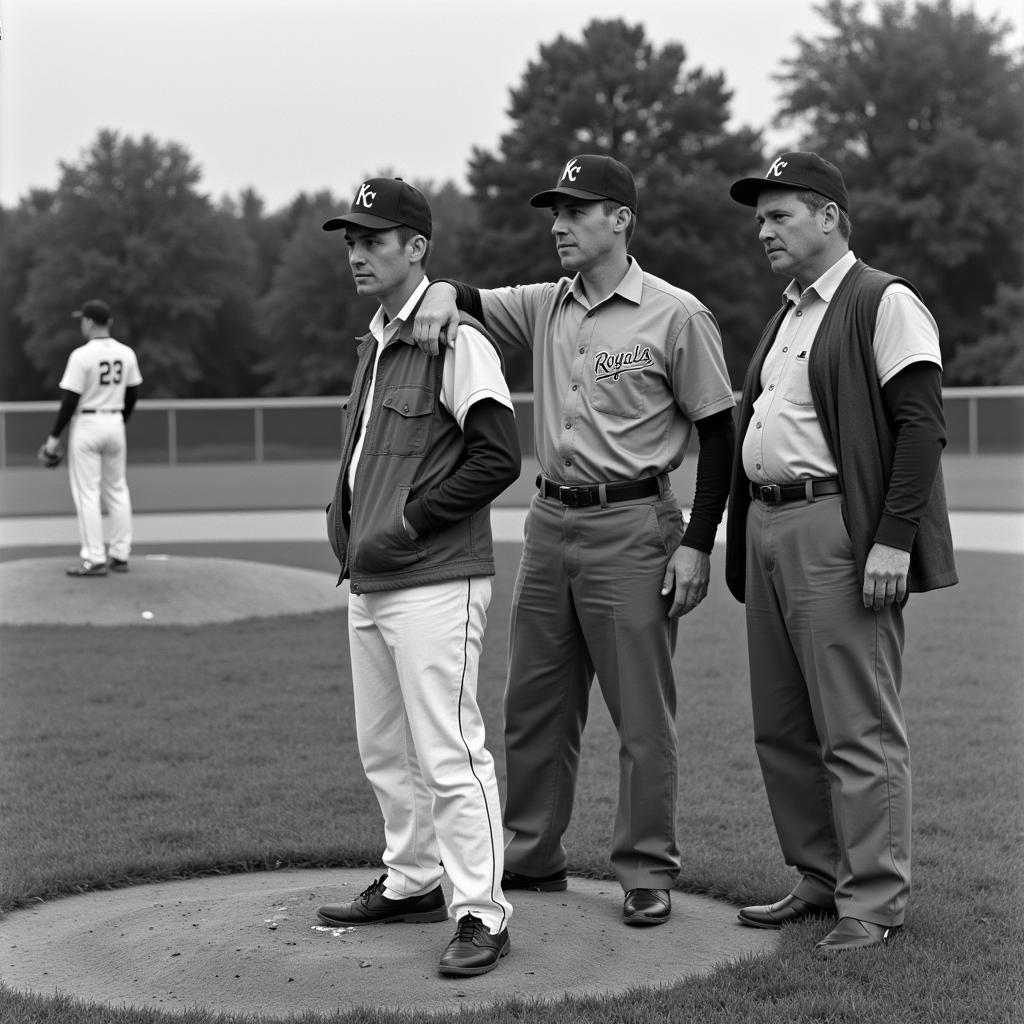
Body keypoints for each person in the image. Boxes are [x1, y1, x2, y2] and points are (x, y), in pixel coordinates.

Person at [411, 154, 736, 927]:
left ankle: (647, 870)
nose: (558, 224)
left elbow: (720, 433)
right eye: (554, 212)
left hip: (634, 524)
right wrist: (434, 296)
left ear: (620, 219)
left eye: (575, 211)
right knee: (533, 706)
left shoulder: (675, 313)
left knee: (640, 715)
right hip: (549, 521)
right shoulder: (546, 304)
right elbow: (466, 297)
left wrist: (697, 541)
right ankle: (531, 853)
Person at [725, 152, 958, 954]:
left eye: (779, 214)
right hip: (766, 527)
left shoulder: (882, 300)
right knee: (782, 726)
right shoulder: (788, 312)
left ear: (828, 216)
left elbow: (923, 426)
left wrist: (892, 538)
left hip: (835, 529)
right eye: (760, 218)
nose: (764, 230)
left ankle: (876, 903)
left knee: (857, 727)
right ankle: (821, 878)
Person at [313, 177, 521, 977]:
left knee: (449, 752)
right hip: (373, 580)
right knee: (384, 749)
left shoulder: (454, 339)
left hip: (434, 576)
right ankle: (413, 880)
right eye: (352, 240)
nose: (358, 253)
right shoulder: (378, 339)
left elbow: (497, 455)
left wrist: (407, 522)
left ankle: (482, 913)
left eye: (374, 239)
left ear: (417, 249)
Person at [40, 299, 143, 577]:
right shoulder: (127, 353)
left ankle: (94, 558)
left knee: (88, 493)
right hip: (115, 422)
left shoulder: (81, 355)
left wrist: (53, 437)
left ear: (88, 321)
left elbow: (70, 399)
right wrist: (120, 421)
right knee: (118, 489)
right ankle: (120, 555)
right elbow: (132, 395)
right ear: (108, 322)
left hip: (87, 422)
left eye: (82, 320)